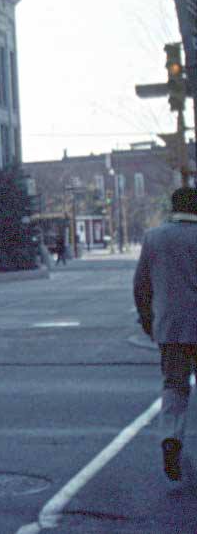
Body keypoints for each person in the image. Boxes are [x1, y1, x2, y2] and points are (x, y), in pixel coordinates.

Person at [133, 187, 197, 482]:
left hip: (171, 328)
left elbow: (142, 286)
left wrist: (149, 321)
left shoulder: (154, 238)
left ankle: (171, 438)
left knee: (174, 385)